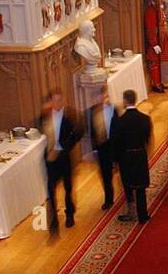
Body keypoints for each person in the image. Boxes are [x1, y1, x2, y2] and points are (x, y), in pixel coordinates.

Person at [38, 88, 81, 233]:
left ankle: (69, 214)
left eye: (59, 100)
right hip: (50, 158)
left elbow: (77, 134)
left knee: (68, 187)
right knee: (51, 188)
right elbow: (39, 128)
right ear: (50, 101)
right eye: (55, 100)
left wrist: (61, 148)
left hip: (64, 157)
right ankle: (54, 219)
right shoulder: (45, 116)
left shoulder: (69, 115)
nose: (57, 103)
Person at [112, 89, 151, 224]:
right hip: (140, 154)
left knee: (128, 186)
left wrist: (116, 161)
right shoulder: (145, 118)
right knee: (141, 188)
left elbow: (116, 142)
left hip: (126, 157)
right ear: (135, 100)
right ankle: (143, 215)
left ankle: (131, 212)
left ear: (125, 101)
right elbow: (147, 139)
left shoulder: (120, 121)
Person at [86, 85, 119, 211]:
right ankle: (109, 199)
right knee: (105, 175)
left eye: (100, 96)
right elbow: (91, 133)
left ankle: (127, 195)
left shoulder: (113, 109)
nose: (97, 99)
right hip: (102, 148)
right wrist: (93, 150)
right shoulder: (90, 112)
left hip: (114, 144)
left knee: (119, 170)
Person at [143, 0, 166, 93]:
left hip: (159, 39)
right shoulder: (150, 11)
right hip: (154, 42)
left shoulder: (157, 9)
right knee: (154, 63)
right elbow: (150, 28)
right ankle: (155, 83)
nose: (159, 0)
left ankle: (159, 82)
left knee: (159, 62)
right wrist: (154, 43)